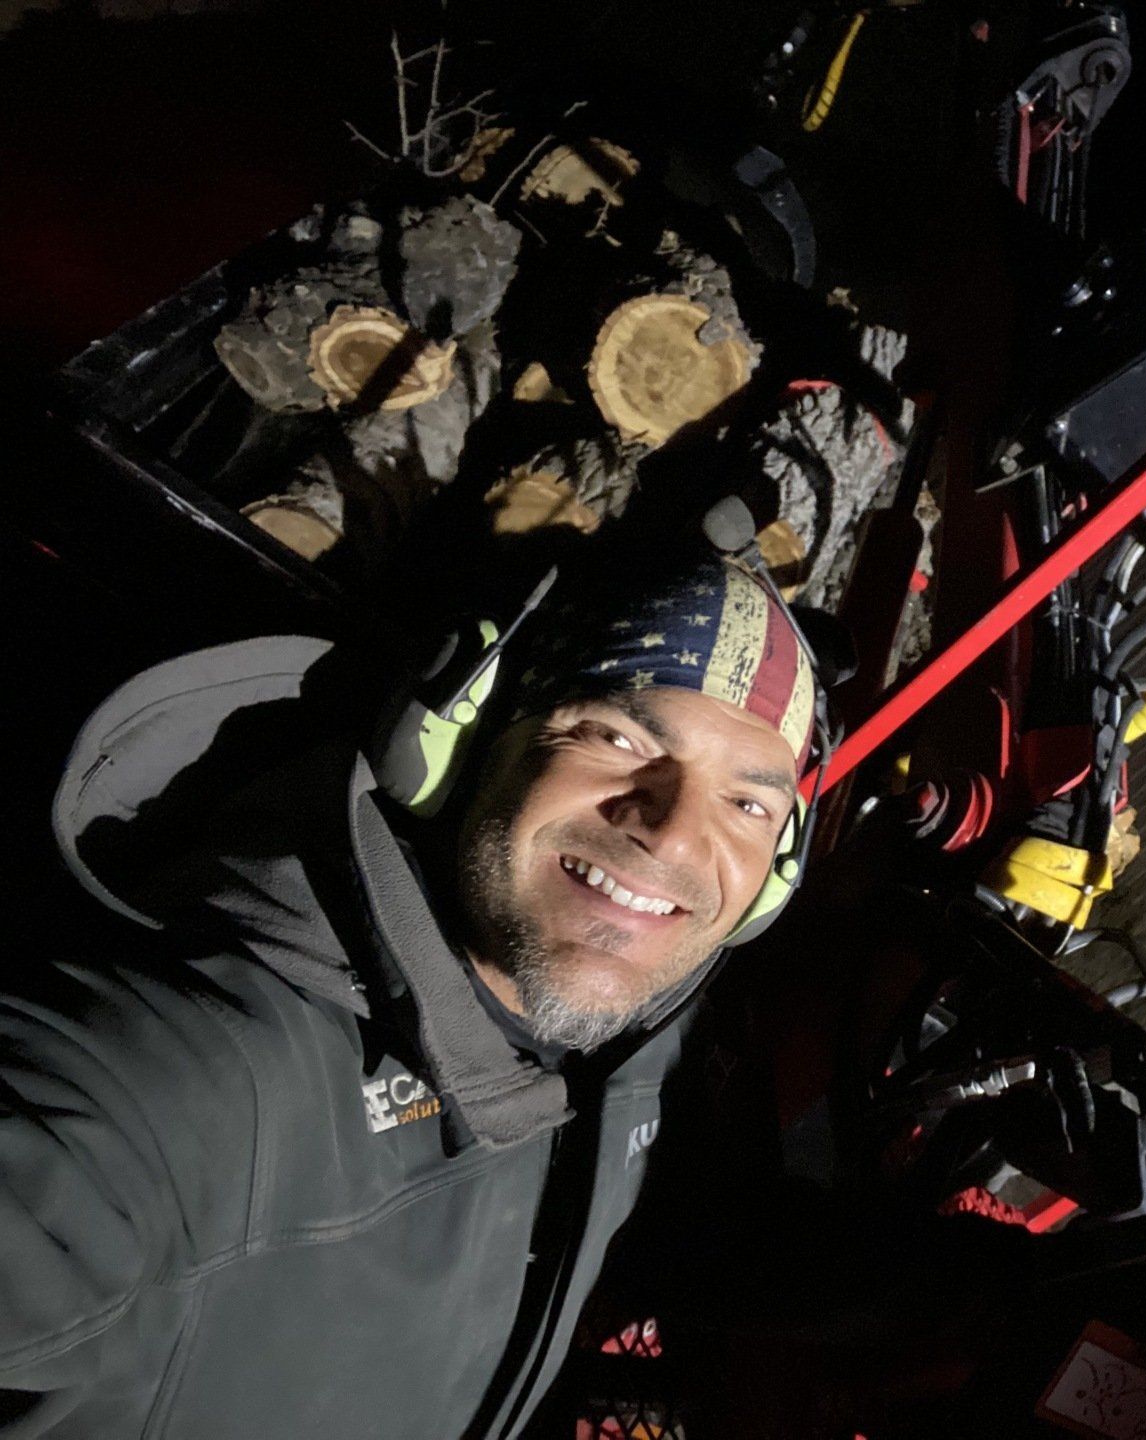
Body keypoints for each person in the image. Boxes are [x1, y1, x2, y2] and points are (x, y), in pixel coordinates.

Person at [0, 536, 818, 1437]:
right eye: (616, 737)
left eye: (748, 804)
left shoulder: (629, 1046)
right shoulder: (183, 1088)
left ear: (771, 881)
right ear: (458, 736)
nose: (672, 836)